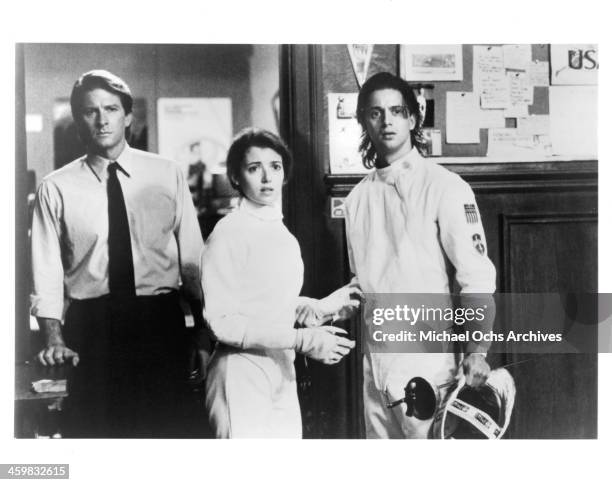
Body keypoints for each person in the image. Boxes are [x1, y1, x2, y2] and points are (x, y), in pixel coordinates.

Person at [30, 70, 210, 438]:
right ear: (78, 119)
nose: (102, 119)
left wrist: (203, 335)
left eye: (111, 109)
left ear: (128, 116)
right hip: (92, 328)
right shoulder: (56, 188)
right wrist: (53, 337)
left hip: (159, 323)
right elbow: (46, 271)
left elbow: (193, 260)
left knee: (165, 435)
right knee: (95, 437)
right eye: (90, 111)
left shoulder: (167, 174)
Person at [343, 72, 496, 438]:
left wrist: (477, 349)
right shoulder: (356, 200)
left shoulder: (444, 186)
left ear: (413, 119)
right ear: (364, 120)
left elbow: (475, 277)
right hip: (375, 363)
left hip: (427, 361)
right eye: (376, 113)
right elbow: (361, 282)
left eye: (397, 111)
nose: (387, 120)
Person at [202, 128, 360, 438]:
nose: (266, 177)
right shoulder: (228, 232)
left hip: (281, 369)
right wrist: (304, 340)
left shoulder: (281, 233)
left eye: (274, 166)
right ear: (235, 177)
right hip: (241, 372)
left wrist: (320, 308)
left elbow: (266, 302)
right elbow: (223, 323)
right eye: (253, 168)